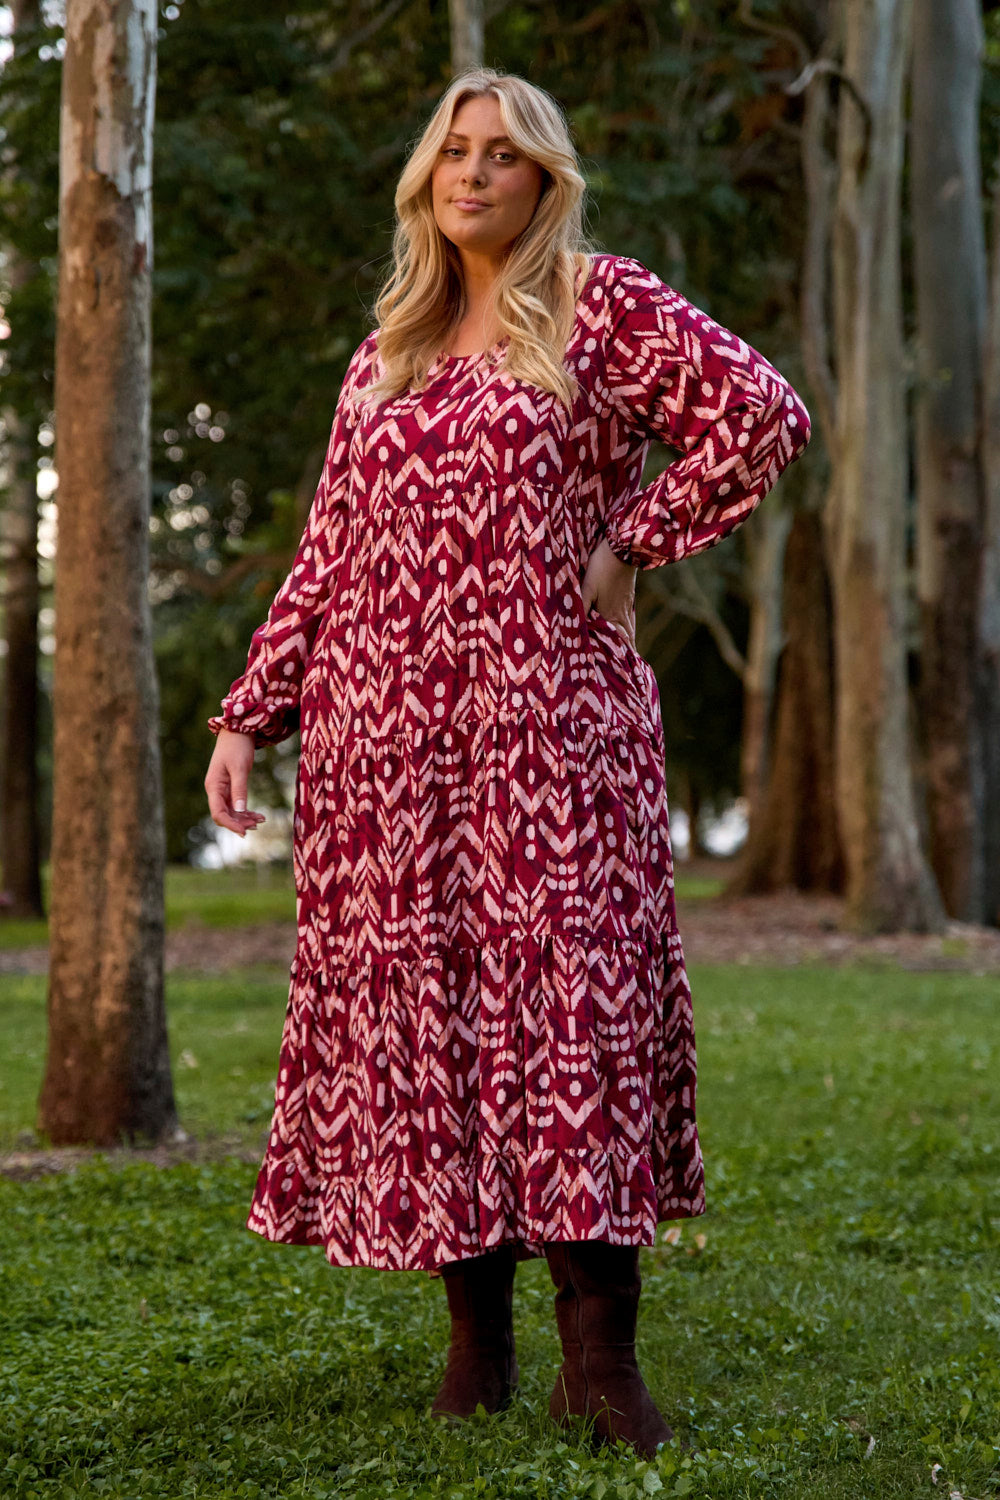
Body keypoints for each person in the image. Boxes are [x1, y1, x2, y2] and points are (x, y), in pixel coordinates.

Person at [204, 67, 811, 1458]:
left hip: (550, 735)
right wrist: (251, 711)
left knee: (565, 1017)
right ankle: (475, 1344)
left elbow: (762, 415)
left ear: (546, 181)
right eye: (454, 151)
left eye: (504, 155)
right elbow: (328, 554)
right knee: (433, 1031)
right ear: (426, 177)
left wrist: (631, 541)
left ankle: (602, 1362)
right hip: (380, 751)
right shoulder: (387, 351)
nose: (473, 174)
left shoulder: (603, 307)